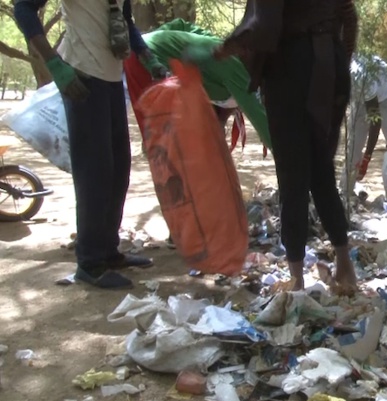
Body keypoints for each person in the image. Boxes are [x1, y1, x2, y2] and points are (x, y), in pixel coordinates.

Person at [189, 0, 359, 292]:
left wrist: (226, 48)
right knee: (321, 169)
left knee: (293, 175)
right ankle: (345, 266)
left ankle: (296, 279)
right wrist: (339, 60)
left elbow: (264, 27)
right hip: (328, 66)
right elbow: (349, 15)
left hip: (292, 69)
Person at [14, 0, 167, 288]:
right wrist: (54, 63)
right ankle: (90, 262)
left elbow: (125, 21)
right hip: (81, 75)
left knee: (118, 168)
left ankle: (108, 250)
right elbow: (23, 9)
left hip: (111, 79)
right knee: (95, 172)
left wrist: (147, 57)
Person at [124, 19, 272, 150]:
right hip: (145, 61)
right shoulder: (236, 69)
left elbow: (180, 24)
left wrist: (158, 41)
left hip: (144, 52)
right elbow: (260, 120)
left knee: (173, 147)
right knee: (165, 149)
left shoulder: (218, 48)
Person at [348, 55, 387, 182]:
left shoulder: (358, 77)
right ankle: (347, 188)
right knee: (353, 145)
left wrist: (367, 158)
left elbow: (375, 120)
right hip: (362, 96)